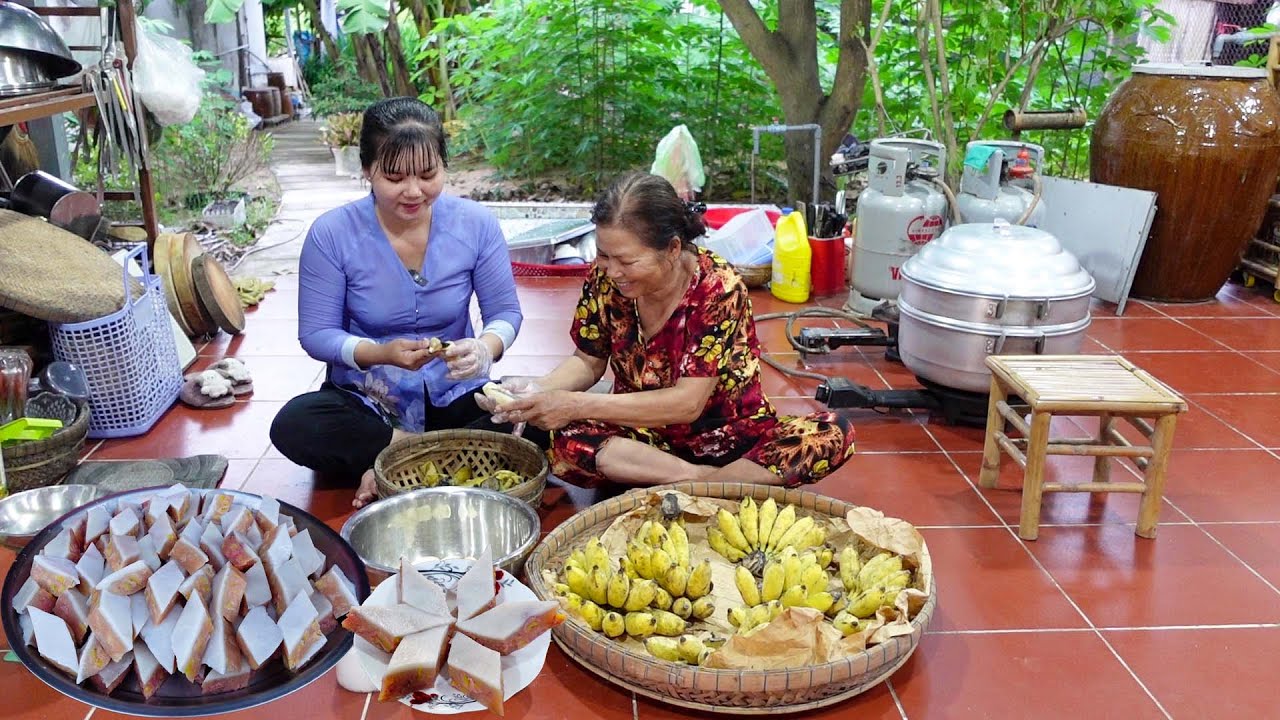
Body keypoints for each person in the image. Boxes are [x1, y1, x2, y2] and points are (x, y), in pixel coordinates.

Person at [478, 172, 855, 488]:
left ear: (673, 248)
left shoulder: (718, 289)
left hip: (729, 438)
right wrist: (537, 392)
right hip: (640, 434)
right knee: (560, 437)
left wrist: (575, 404)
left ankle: (695, 479)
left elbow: (687, 404)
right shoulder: (605, 279)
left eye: (626, 260)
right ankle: (708, 483)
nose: (612, 271)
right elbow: (588, 361)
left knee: (831, 432)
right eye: (604, 255)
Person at [270, 97, 522, 508]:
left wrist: (483, 348)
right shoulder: (332, 234)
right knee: (295, 424)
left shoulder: (476, 225)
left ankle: (388, 463)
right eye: (394, 177)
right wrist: (380, 353)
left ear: (444, 165)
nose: (414, 191)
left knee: (535, 419)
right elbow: (317, 334)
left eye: (428, 174)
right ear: (366, 169)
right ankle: (423, 452)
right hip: (370, 402)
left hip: (454, 394)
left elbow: (505, 313)